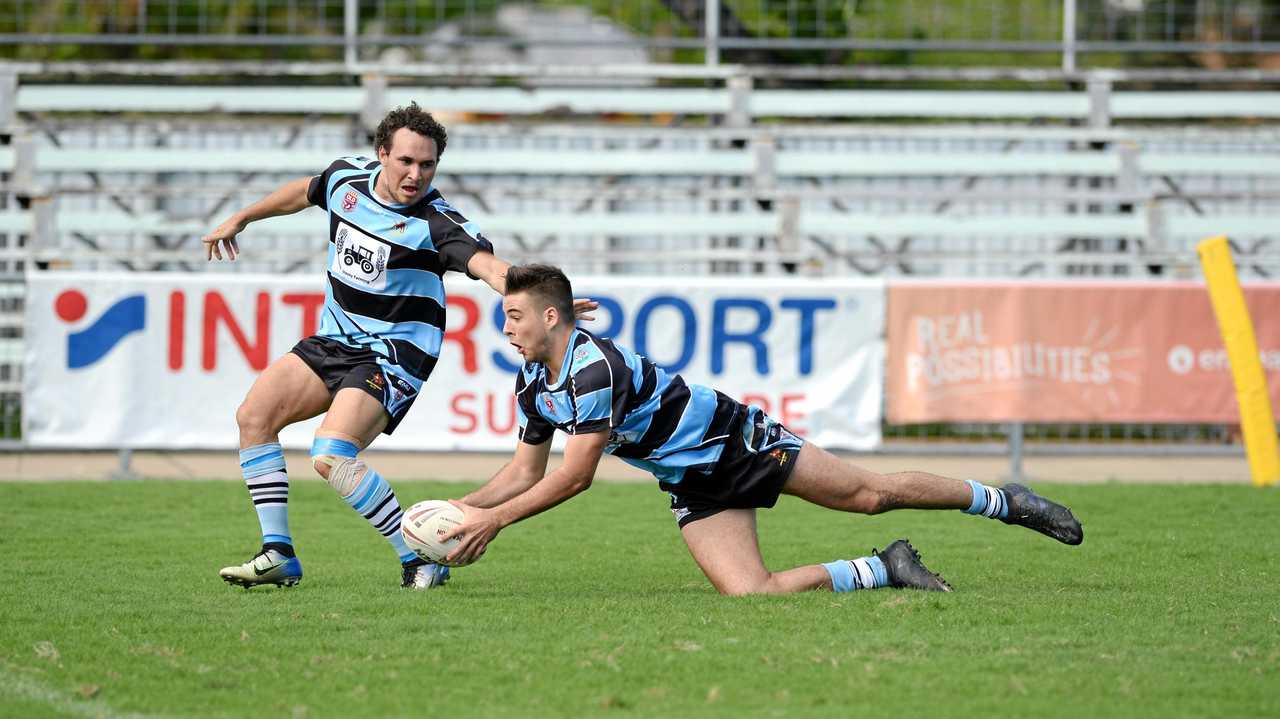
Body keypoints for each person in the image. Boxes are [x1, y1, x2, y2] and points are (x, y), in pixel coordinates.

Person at [442, 264, 1084, 595]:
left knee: (868, 494)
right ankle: (886, 568)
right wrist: (456, 511)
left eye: (516, 316)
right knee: (751, 593)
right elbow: (525, 471)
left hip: (735, 442)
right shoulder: (533, 382)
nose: (506, 327)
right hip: (691, 476)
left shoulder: (592, 371)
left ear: (551, 317)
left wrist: (492, 523)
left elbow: (575, 478)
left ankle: (1006, 501)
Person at [201, 105, 593, 591]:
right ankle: (278, 552)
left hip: (394, 354)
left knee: (331, 455)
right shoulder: (346, 182)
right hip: (335, 338)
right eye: (406, 161)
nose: (416, 175)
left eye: (427, 165)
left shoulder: (436, 223)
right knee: (253, 417)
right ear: (381, 154)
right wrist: (242, 217)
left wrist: (538, 296)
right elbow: (303, 191)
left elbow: (490, 268)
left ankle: (421, 558)